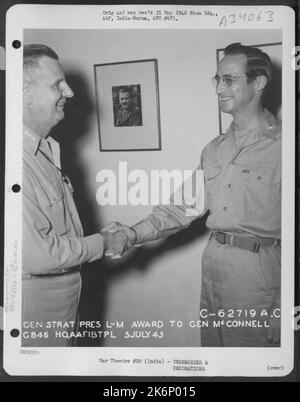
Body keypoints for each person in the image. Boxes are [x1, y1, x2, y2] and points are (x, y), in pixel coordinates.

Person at [105, 43, 282, 347]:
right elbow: (180, 208)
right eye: (217, 79)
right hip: (214, 263)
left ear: (259, 83)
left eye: (229, 80)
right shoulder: (214, 148)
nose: (218, 89)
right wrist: (132, 234)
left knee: (251, 363)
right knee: (214, 359)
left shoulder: (283, 146)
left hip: (259, 273)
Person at [22, 44, 124, 346]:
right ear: (24, 91)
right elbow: (39, 257)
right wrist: (102, 243)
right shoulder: (16, 160)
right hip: (35, 318)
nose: (69, 92)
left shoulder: (46, 151)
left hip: (63, 309)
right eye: (57, 84)